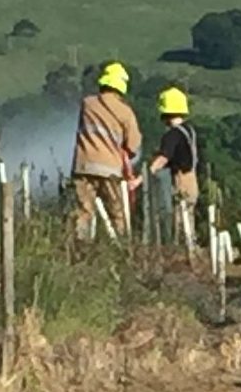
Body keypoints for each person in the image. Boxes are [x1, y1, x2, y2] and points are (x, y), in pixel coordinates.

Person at [71, 61, 141, 239]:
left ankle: (81, 247)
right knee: (117, 213)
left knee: (83, 212)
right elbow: (133, 145)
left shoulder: (87, 104)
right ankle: (122, 247)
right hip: (110, 170)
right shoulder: (125, 112)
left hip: (84, 167)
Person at [146, 86, 201, 251]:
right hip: (192, 178)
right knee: (188, 219)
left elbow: (163, 158)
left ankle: (180, 253)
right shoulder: (190, 131)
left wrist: (146, 174)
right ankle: (191, 249)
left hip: (180, 179)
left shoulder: (172, 135)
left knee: (179, 219)